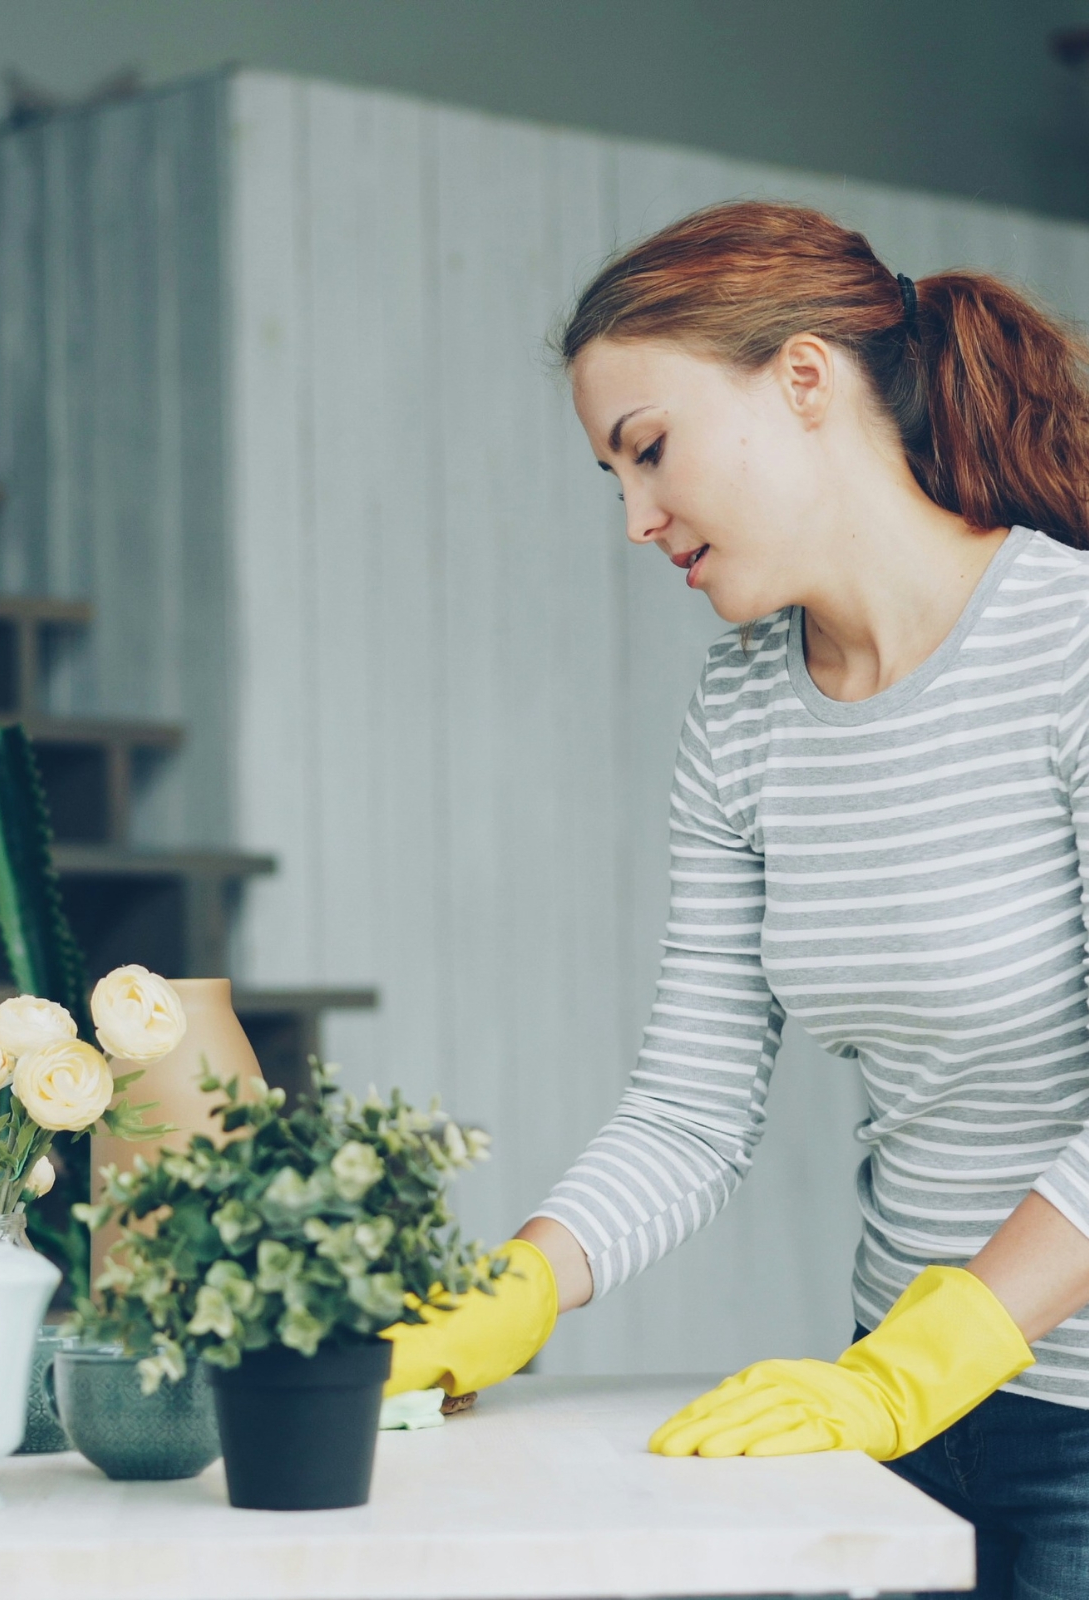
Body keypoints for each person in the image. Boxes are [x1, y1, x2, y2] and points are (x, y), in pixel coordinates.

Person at [382, 200, 1089, 1599]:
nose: (639, 520)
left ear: (807, 378)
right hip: (893, 1423)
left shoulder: (1067, 648)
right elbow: (693, 1107)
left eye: (650, 451)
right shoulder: (746, 707)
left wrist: (926, 1363)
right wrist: (518, 1286)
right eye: (613, 477)